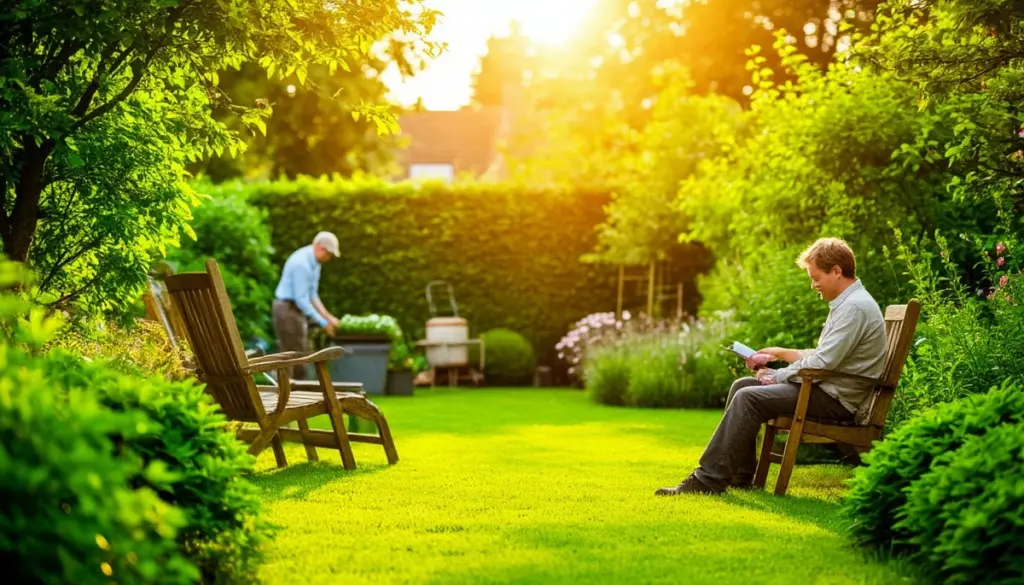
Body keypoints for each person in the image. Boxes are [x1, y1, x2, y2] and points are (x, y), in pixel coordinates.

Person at [655, 237, 888, 495]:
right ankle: (738, 474)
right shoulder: (849, 303)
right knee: (742, 385)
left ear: (836, 271)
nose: (813, 285)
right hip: (826, 389)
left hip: (836, 399)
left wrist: (777, 376)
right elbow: (824, 355)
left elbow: (824, 362)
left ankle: (707, 480)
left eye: (816, 277)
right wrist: (777, 355)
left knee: (748, 398)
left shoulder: (854, 307)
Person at [272, 231, 342, 380]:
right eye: (328, 253)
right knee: (294, 355)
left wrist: (328, 317)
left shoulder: (316, 264)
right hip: (286, 309)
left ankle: (295, 391)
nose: (328, 258)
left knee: (299, 353)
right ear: (319, 247)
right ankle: (292, 392)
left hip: (295, 309)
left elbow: (313, 295)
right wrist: (323, 323)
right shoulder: (301, 264)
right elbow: (301, 300)